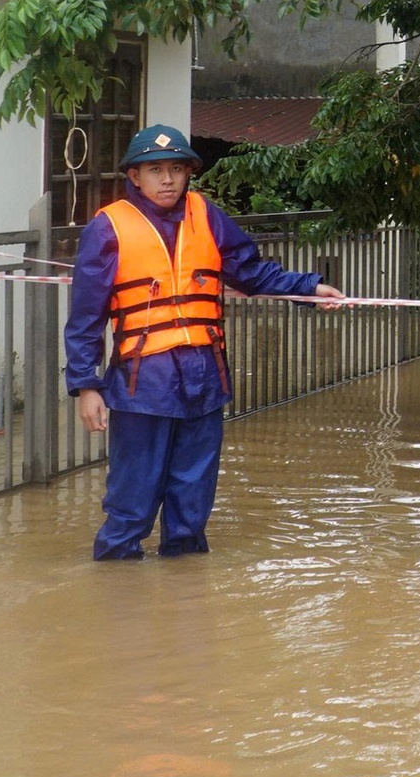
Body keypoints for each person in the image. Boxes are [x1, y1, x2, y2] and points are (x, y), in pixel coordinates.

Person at [66, 125, 343, 560]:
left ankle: (187, 597)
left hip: (204, 377)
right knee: (132, 503)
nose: (168, 180)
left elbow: (250, 272)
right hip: (144, 384)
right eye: (155, 170)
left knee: (191, 503)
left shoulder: (206, 215)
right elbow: (85, 317)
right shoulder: (109, 227)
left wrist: (308, 288)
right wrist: (86, 385)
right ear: (134, 177)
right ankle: (118, 595)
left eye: (177, 169)